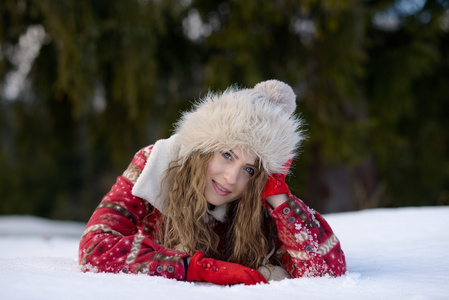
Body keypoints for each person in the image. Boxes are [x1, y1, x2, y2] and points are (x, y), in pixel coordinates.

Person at [78, 80, 346, 285]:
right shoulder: (156, 163)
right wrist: (199, 268)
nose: (231, 178)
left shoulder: (258, 198)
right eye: (227, 155)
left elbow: (325, 272)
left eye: (249, 169)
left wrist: (276, 192)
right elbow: (95, 248)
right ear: (205, 146)